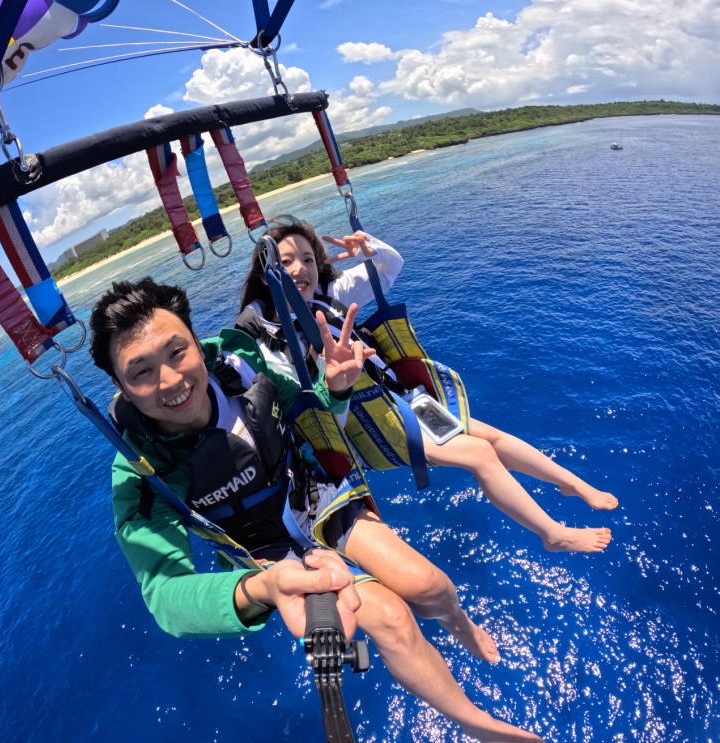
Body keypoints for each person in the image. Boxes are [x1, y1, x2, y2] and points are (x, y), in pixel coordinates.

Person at [90, 277, 543, 742]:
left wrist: (337, 389)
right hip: (261, 551)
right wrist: (260, 586)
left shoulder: (240, 367)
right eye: (141, 372)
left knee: (430, 584)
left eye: (176, 351)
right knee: (390, 618)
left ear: (194, 341)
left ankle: (459, 623)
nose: (171, 381)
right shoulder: (142, 472)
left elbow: (310, 410)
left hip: (311, 497)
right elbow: (164, 595)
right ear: (120, 385)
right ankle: (473, 722)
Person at [237, 216, 617, 554]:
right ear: (266, 274)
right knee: (479, 455)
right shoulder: (270, 342)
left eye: (307, 258)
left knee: (490, 437)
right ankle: (552, 533)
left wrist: (368, 249)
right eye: (285, 262)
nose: (300, 268)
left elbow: (388, 268)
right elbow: (301, 411)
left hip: (398, 401)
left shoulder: (328, 297)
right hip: (367, 427)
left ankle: (570, 483)